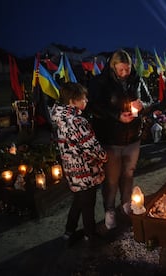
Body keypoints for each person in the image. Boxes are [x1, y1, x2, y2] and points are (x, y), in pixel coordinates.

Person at [88, 49, 153, 230]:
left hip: (133, 137)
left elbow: (150, 101)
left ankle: (126, 204)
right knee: (111, 178)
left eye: (127, 69)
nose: (125, 74)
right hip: (110, 139)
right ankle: (109, 210)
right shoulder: (100, 82)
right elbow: (93, 106)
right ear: (113, 67)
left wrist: (142, 105)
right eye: (121, 70)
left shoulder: (136, 79)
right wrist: (117, 115)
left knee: (128, 174)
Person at [50, 82, 107, 242]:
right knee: (88, 203)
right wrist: (104, 157)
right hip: (85, 170)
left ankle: (69, 231)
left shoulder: (60, 118)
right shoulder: (77, 121)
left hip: (71, 169)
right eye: (83, 98)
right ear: (73, 100)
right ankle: (90, 234)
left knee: (78, 200)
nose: (86, 101)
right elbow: (91, 146)